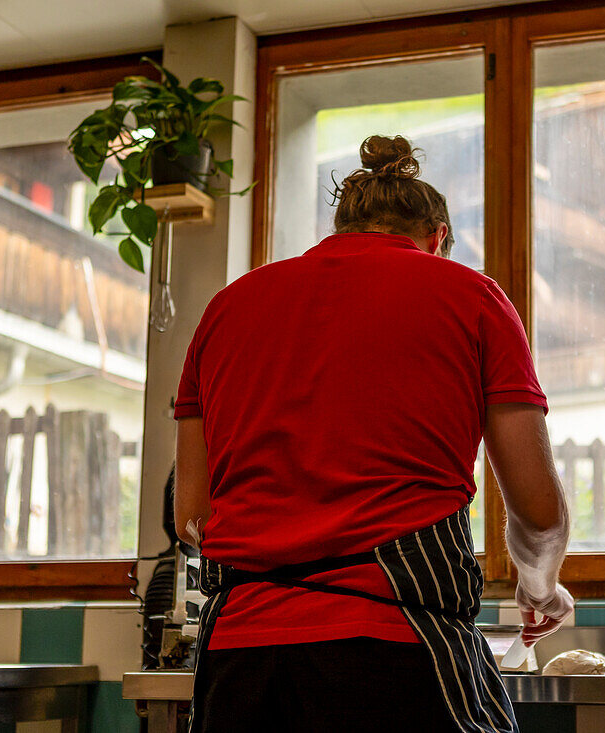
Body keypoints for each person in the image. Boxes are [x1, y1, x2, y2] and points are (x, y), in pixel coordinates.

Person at [174, 134, 572, 733]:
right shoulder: (471, 297)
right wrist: (540, 587)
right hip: (397, 651)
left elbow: (193, 517)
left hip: (241, 663)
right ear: (437, 239)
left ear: (336, 231)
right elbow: (538, 513)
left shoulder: (226, 309)